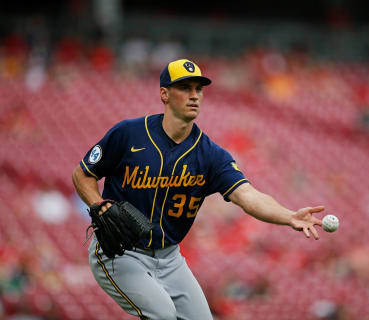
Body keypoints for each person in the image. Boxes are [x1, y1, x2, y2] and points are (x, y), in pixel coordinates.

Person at [72, 58, 326, 320]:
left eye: (199, 89)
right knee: (162, 314)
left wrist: (289, 216)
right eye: (185, 88)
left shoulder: (210, 155)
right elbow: (83, 174)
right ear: (164, 94)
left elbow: (247, 195)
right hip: (119, 252)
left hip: (169, 258)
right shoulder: (128, 134)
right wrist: (97, 203)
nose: (194, 96)